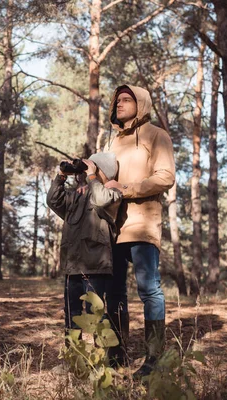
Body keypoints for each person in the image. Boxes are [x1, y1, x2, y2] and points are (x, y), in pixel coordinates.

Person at [102, 85, 176, 377]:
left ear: (141, 103)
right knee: (114, 292)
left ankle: (154, 358)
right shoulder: (113, 142)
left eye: (126, 99)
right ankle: (116, 355)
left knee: (149, 290)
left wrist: (126, 189)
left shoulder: (157, 135)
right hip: (112, 227)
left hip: (142, 224)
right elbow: (105, 180)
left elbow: (165, 177)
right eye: (117, 100)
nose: (118, 104)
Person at [46, 152, 123, 339]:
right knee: (71, 313)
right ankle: (74, 356)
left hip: (96, 265)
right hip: (73, 265)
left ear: (102, 171)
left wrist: (92, 176)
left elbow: (102, 199)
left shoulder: (113, 193)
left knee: (95, 313)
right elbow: (53, 200)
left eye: (92, 167)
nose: (84, 172)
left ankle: (100, 358)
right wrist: (62, 176)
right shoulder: (76, 196)